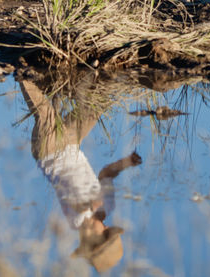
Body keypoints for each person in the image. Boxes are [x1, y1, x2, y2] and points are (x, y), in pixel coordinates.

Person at [19, 76, 143, 273]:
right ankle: (94, 74)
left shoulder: (76, 221)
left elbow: (76, 203)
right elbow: (106, 174)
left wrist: (92, 204)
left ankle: (22, 72)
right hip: (71, 144)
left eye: (104, 232)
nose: (105, 226)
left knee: (44, 112)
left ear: (92, 238)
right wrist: (126, 163)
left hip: (48, 150)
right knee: (94, 107)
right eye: (107, 230)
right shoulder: (106, 209)